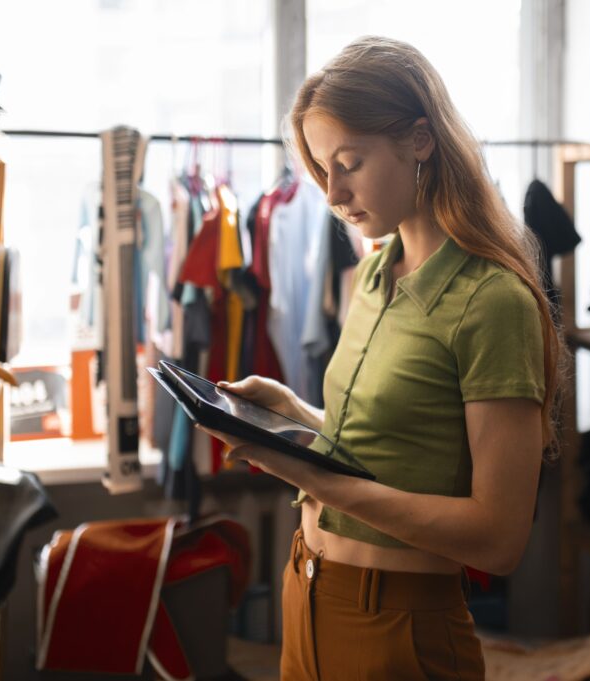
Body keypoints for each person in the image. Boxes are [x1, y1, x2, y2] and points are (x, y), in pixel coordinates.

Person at [198, 36, 564, 680]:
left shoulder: (491, 300)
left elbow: (499, 538)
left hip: (399, 629)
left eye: (350, 162)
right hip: (307, 591)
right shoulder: (377, 272)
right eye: (322, 168)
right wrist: (298, 416)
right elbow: (388, 449)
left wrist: (314, 477)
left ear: (420, 140)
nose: (333, 193)